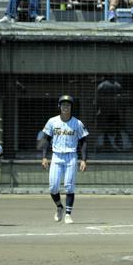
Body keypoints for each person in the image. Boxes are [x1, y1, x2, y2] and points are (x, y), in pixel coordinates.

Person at [40, 95, 89, 224]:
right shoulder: (52, 121)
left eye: (68, 105)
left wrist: (84, 160)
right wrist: (44, 157)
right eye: (63, 105)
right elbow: (46, 139)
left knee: (69, 186)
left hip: (71, 156)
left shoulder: (77, 123)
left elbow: (83, 141)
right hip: (56, 156)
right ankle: (59, 207)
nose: (65, 107)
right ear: (59, 106)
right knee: (53, 187)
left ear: (71, 107)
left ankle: (68, 214)